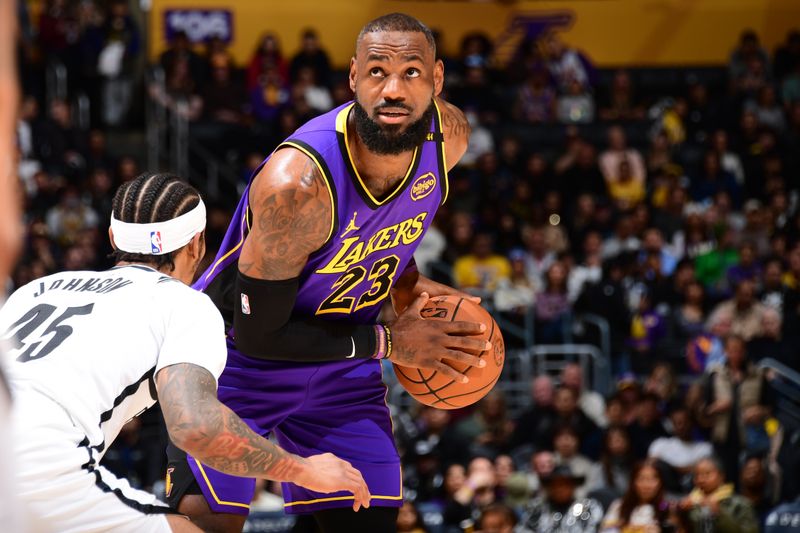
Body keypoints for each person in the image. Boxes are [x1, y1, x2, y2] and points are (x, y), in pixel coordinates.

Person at [166, 14, 485, 533]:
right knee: (205, 528)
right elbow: (259, 333)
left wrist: (408, 286)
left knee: (367, 519)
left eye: (412, 72)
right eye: (378, 71)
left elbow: (391, 228)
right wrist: (389, 343)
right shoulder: (298, 185)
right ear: (353, 77)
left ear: (438, 80)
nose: (393, 89)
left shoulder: (448, 139)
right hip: (236, 362)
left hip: (343, 369)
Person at [0, 173, 369, 532]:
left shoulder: (36, 290)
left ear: (113, 236)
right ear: (197, 244)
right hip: (36, 467)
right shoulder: (183, 304)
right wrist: (306, 471)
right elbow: (195, 427)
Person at [679, 457, 758, 533]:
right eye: (697, 476)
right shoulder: (691, 504)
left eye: (707, 474)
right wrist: (683, 514)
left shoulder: (741, 504)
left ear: (721, 476)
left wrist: (719, 513)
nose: (701, 479)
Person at [599, 460, 678, 533]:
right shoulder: (619, 505)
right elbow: (605, 530)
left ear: (660, 482)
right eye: (641, 479)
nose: (646, 485)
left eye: (652, 479)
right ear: (633, 482)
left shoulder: (665, 507)